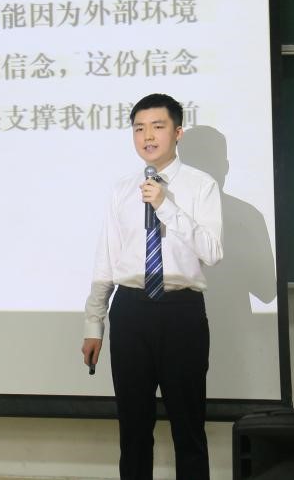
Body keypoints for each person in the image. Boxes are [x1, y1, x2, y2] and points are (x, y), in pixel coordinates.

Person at [81, 93, 223, 479]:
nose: (147, 136)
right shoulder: (121, 189)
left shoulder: (201, 186)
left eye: (157, 127)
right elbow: (106, 259)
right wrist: (94, 323)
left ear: (177, 133)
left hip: (181, 312)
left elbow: (212, 252)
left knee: (188, 429)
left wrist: (165, 206)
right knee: (133, 430)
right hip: (130, 311)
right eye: (139, 128)